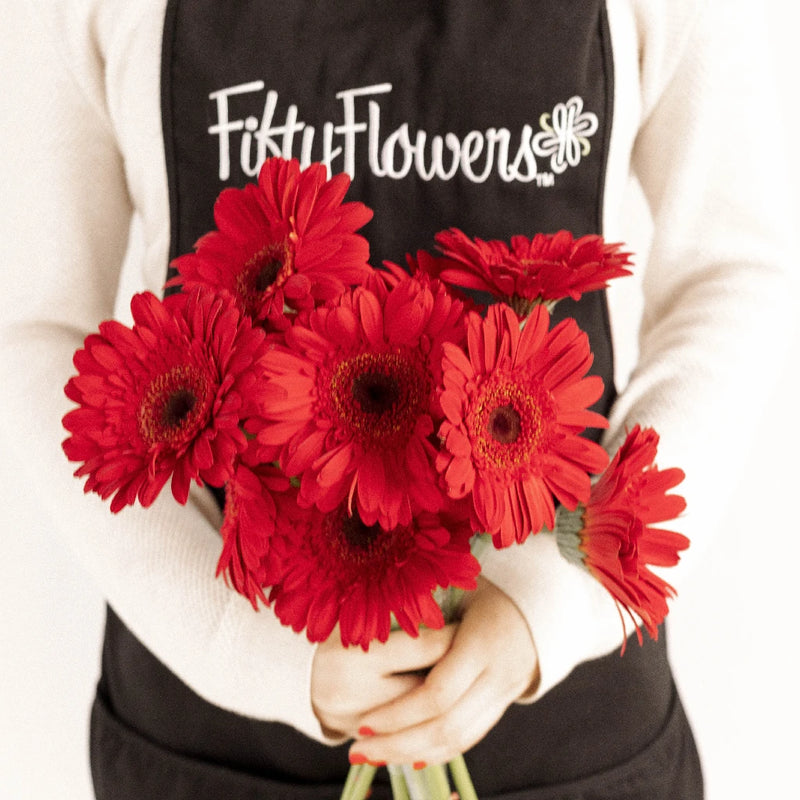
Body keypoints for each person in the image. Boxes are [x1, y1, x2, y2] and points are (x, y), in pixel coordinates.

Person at [0, 1, 793, 798]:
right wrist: (246, 649)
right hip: (217, 735)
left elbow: (732, 272)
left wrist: (555, 605)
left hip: (569, 726)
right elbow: (36, 325)